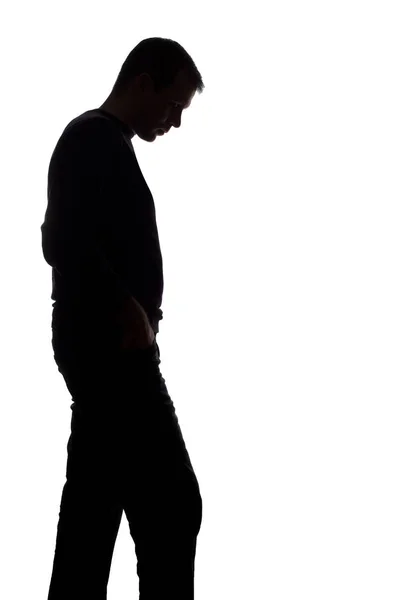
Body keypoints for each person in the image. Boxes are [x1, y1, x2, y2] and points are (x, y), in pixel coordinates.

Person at [41, 37, 205, 600]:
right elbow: (60, 238)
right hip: (111, 353)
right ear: (143, 83)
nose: (175, 121)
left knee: (93, 510)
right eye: (173, 105)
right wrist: (126, 307)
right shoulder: (92, 138)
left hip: (105, 348)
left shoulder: (105, 143)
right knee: (175, 505)